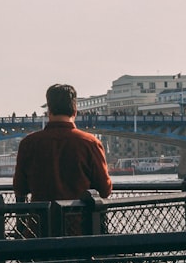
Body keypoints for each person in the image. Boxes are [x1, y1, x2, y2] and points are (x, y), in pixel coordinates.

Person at [13, 84, 112, 235]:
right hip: (81, 230)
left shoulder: (28, 143)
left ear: (49, 111)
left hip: (40, 228)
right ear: (75, 110)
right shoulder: (90, 143)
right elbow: (104, 190)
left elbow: (20, 188)